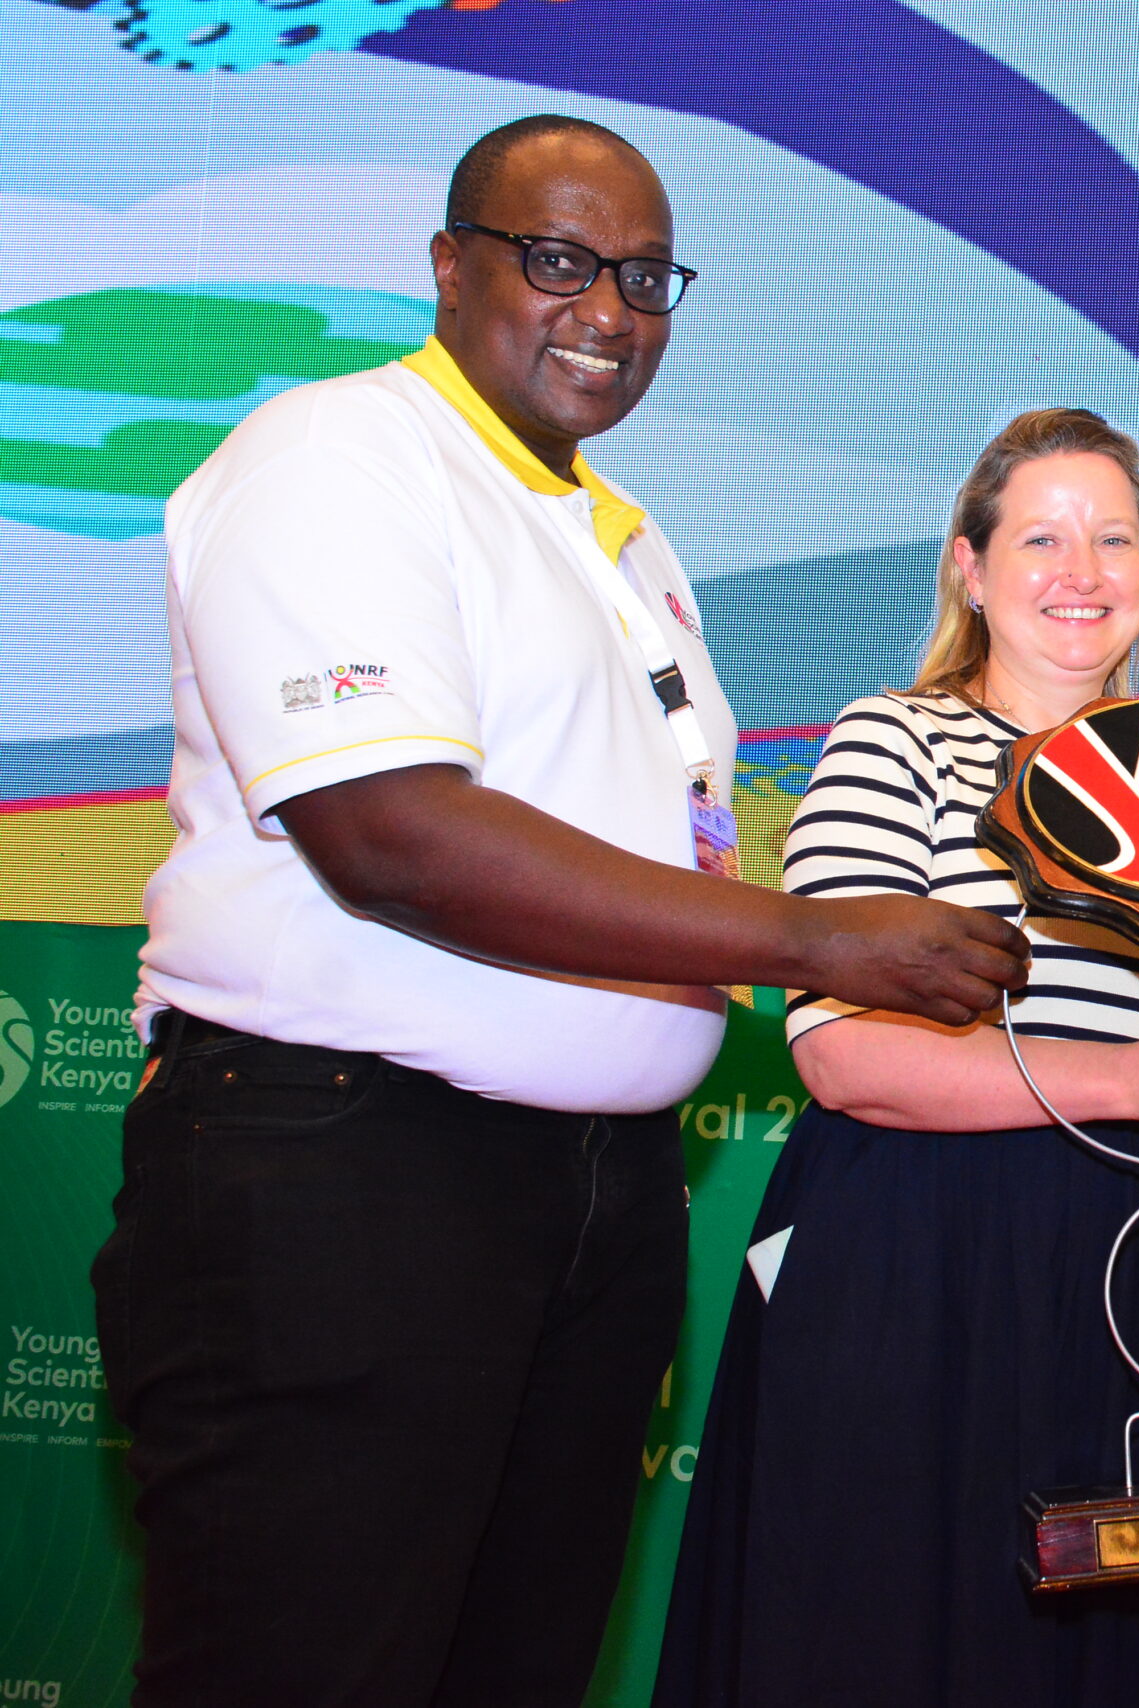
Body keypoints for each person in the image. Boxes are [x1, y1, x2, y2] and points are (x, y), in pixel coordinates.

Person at [92, 116, 1028, 1708]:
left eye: (646, 277)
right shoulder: (338, 456)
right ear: (449, 267)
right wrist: (821, 941)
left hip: (581, 1205)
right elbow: (390, 834)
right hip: (350, 1175)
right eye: (558, 261)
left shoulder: (619, 532)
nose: (607, 308)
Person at [654, 407, 1139, 1708]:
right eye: (1042, 535)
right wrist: (1129, 1081)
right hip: (911, 1273)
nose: (1082, 571)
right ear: (968, 567)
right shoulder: (894, 740)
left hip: (1134, 1293)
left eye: (1116, 538)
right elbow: (843, 1057)